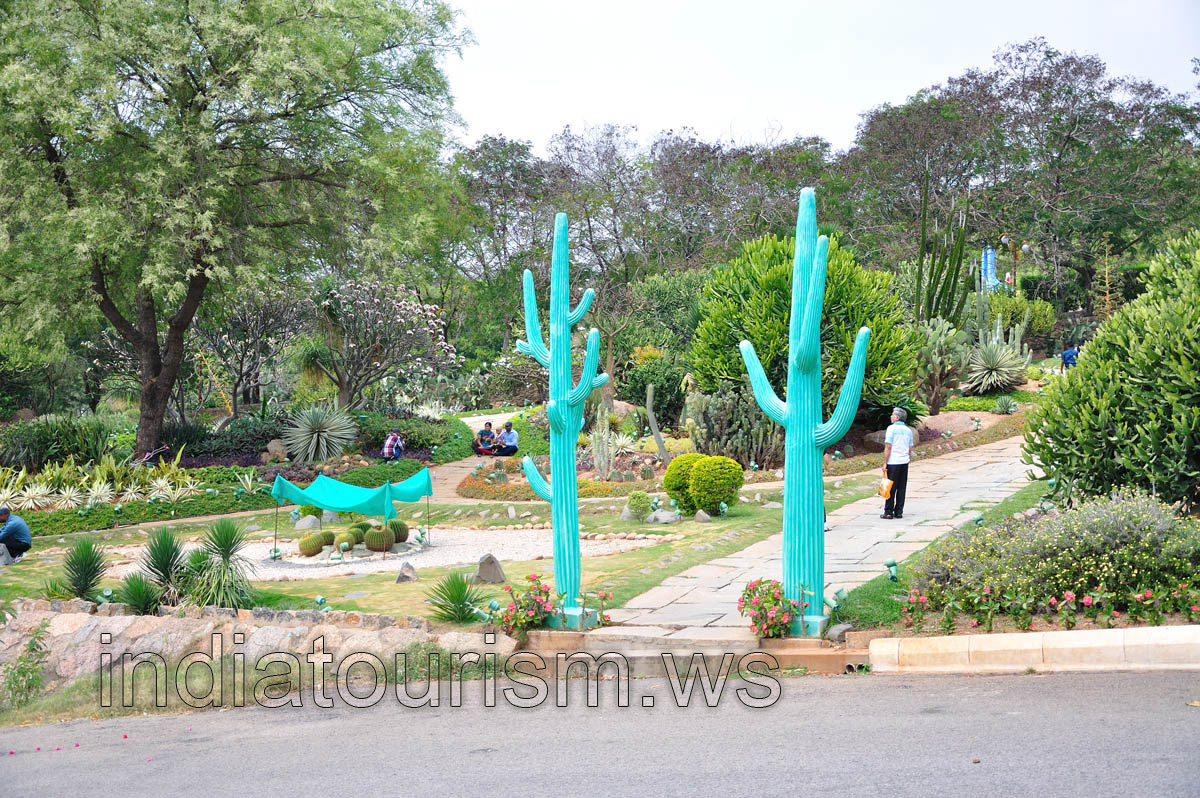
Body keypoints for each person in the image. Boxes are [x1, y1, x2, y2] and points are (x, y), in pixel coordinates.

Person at [880, 407, 913, 520]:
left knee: (890, 487)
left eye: (893, 414)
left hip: (893, 462)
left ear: (897, 417)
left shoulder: (891, 429)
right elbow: (910, 447)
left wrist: (885, 462)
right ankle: (899, 512)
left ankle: (888, 512)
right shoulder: (909, 431)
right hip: (904, 462)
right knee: (901, 487)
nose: (891, 416)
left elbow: (888, 446)